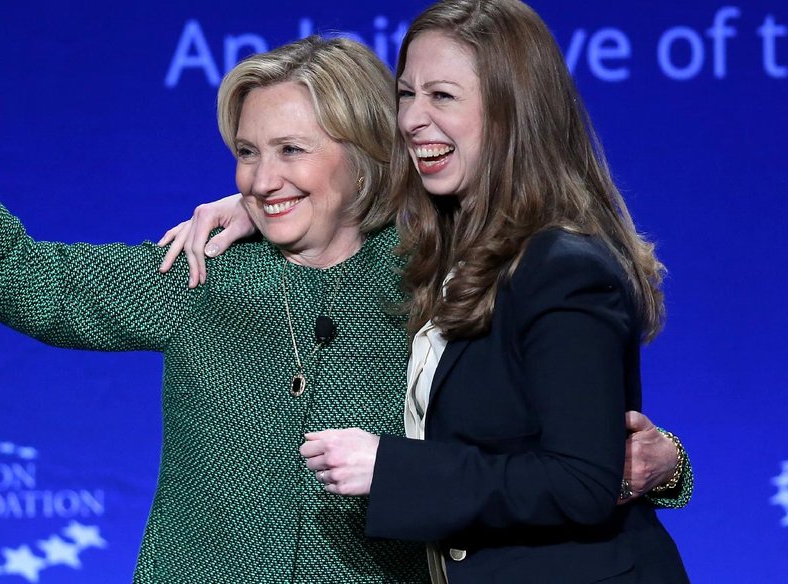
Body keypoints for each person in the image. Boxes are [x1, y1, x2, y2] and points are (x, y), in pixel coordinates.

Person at [0, 10, 687, 584]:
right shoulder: (199, 276)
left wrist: (670, 465)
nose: (262, 178)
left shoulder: (438, 275)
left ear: (368, 154)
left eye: (292, 151)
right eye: (246, 152)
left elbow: (558, 433)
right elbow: (24, 277)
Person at [161, 1, 692, 582]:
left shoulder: (559, 266)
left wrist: (393, 468)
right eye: (406, 94)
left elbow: (581, 481)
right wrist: (263, 199)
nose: (412, 118)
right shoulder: (447, 246)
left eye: (441, 96)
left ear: (511, 112)